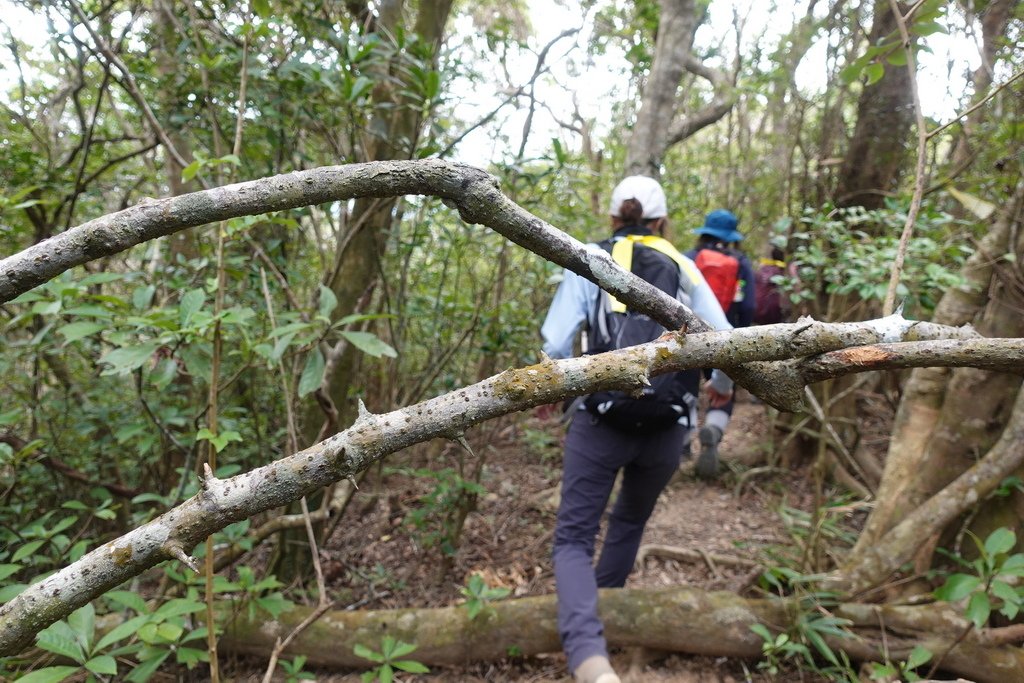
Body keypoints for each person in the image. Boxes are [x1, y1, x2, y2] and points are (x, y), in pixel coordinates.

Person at [540, 176, 733, 683]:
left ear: (613, 217)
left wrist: (557, 386)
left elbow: (557, 341)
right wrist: (722, 387)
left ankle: (588, 656)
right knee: (628, 524)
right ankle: (603, 619)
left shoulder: (590, 259)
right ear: (661, 220)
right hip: (668, 427)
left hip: (600, 418)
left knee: (574, 540)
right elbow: (726, 341)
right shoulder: (684, 265)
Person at [685, 209, 756, 479]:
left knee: (686, 386)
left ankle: (682, 442)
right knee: (723, 390)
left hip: (688, 335)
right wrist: (741, 331)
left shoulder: (688, 259)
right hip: (726, 338)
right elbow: (749, 305)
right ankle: (714, 429)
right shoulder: (741, 262)